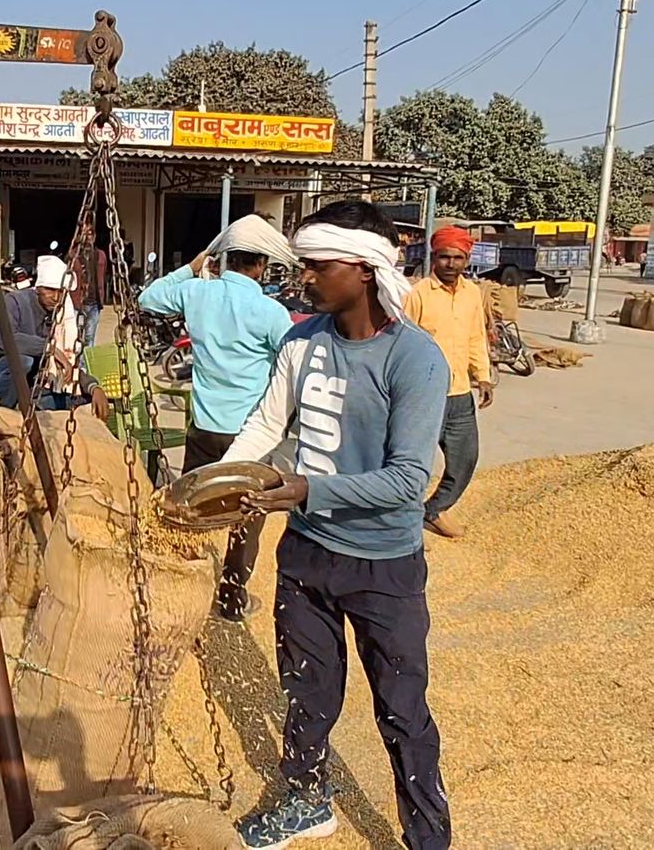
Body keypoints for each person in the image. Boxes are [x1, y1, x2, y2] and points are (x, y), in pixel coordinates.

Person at [223, 200, 451, 848]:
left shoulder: (415, 360)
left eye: (317, 265)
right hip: (307, 556)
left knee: (403, 712)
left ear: (363, 268)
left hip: (383, 566)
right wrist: (217, 484)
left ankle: (427, 837)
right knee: (306, 691)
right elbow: (269, 425)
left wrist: (302, 488)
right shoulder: (301, 341)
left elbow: (410, 479)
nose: (306, 278)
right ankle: (305, 799)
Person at [139, 214, 295, 621]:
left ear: (222, 260)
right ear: (260, 265)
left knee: (192, 507)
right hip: (251, 436)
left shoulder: (196, 293)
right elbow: (290, 364)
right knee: (247, 518)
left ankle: (180, 584)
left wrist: (190, 267)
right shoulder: (270, 311)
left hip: (204, 429)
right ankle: (230, 597)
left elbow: (148, 299)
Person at [404, 225, 494, 540]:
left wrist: (482, 375)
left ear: (467, 259)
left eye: (458, 258)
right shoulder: (417, 295)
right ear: (434, 257)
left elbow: (475, 336)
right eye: (444, 257)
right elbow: (402, 341)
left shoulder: (473, 293)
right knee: (413, 462)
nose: (451, 264)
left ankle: (432, 511)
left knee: (465, 459)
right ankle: (402, 524)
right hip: (423, 395)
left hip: (459, 394)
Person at [0, 255, 109, 419]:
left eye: (60, 292)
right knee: (24, 360)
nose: (55, 297)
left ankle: (19, 407)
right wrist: (50, 349)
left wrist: (93, 387)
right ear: (38, 288)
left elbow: (69, 363)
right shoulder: (14, 302)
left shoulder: (57, 315)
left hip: (24, 388)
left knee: (81, 400)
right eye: (50, 290)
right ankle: (2, 411)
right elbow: (3, 341)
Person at [70, 227, 108, 352]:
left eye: (90, 234)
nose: (88, 237)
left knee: (89, 337)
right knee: (77, 336)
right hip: (79, 303)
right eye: (85, 234)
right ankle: (78, 364)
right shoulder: (74, 255)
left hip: (94, 303)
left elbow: (103, 275)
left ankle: (86, 366)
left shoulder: (100, 255)